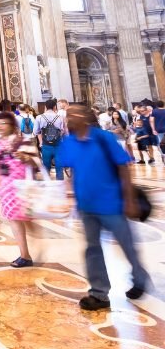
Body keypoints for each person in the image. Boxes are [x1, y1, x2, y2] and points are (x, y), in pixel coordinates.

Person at [59, 104, 149, 310]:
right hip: (86, 205)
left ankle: (139, 276)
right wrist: (70, 197)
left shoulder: (103, 138)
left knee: (126, 245)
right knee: (92, 249)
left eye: (73, 114)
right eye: (68, 114)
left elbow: (123, 166)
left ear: (85, 117)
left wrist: (129, 199)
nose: (69, 118)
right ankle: (99, 293)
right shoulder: (69, 141)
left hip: (112, 203)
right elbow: (71, 172)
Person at [0, 111, 39, 267]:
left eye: (4, 123)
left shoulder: (23, 141)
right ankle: (26, 253)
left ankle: (26, 254)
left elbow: (36, 162)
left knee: (18, 219)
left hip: (22, 185)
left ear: (12, 125)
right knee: (15, 219)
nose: (0, 127)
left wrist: (27, 158)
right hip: (6, 186)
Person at [34, 98, 66, 180]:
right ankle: (60, 187)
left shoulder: (39, 117)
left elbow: (35, 132)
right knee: (59, 168)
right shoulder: (60, 117)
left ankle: (47, 186)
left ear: (45, 107)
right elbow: (63, 131)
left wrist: (41, 142)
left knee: (46, 168)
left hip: (46, 145)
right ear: (55, 107)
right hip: (58, 145)